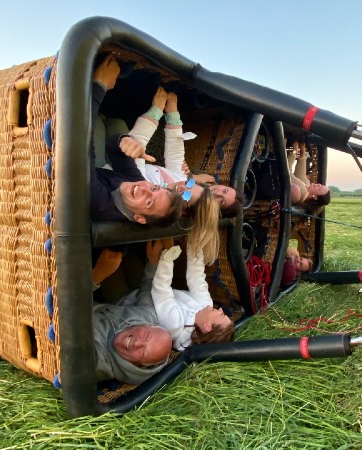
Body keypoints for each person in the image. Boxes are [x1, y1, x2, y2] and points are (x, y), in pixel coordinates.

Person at [115, 88, 243, 220]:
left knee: (113, 125)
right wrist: (173, 115)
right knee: (116, 123)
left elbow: (134, 155)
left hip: (113, 165)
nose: (217, 193)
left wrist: (155, 111)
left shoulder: (152, 196)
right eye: (224, 191)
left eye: (221, 201)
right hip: (119, 152)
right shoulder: (186, 184)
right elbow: (176, 157)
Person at [90, 55, 182, 225]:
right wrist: (123, 142)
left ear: (139, 218)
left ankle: (100, 117)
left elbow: (78, 148)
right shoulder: (139, 185)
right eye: (155, 188)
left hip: (78, 163)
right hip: (95, 166)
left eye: (149, 202)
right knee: (118, 125)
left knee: (95, 124)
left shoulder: (101, 203)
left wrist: (99, 85)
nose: (146, 190)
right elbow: (113, 146)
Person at [92, 249, 173, 385]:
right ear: (148, 325)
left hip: (77, 306)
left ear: (141, 365)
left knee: (107, 256)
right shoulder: (147, 318)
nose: (137, 343)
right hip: (115, 305)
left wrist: (95, 277)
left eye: (142, 353)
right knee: (126, 253)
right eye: (146, 336)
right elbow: (148, 289)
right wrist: (153, 262)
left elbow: (64, 311)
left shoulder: (96, 361)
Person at [147, 239, 235, 349]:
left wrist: (168, 254)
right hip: (154, 286)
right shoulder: (206, 305)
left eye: (221, 315)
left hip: (144, 295)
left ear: (207, 327)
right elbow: (196, 278)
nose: (221, 309)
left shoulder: (176, 325)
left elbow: (161, 289)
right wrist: (196, 243)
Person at [288, 140, 331, 210]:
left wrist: (294, 152)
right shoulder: (306, 186)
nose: (319, 184)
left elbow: (286, 172)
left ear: (315, 197)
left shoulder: (299, 193)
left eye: (319, 188)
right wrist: (302, 154)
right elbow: (301, 174)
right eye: (321, 185)